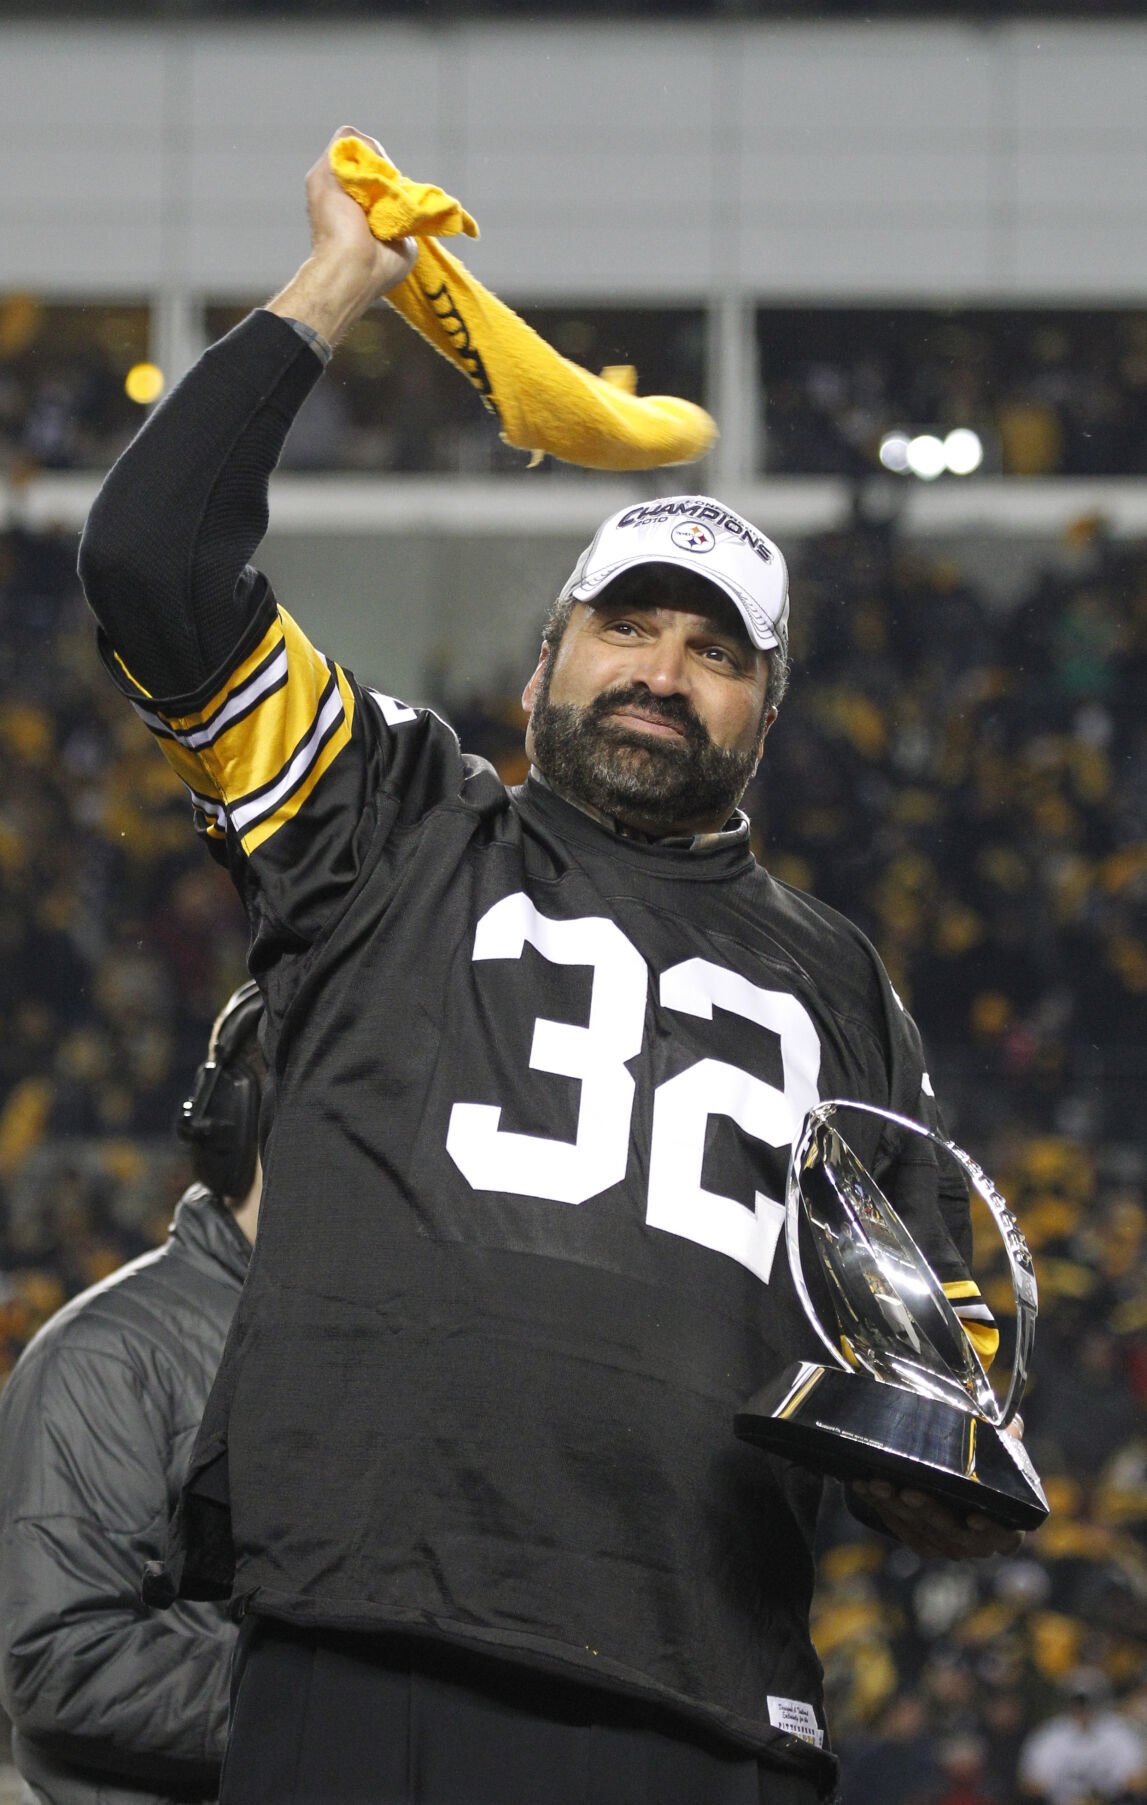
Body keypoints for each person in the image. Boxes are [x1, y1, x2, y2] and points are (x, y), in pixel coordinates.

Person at [77, 128, 1019, 1805]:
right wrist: (337, 283)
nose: (665, 671)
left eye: (717, 651)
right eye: (630, 625)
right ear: (544, 664)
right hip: (359, 1645)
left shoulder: (841, 982)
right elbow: (153, 560)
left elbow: (919, 1360)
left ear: (767, 715)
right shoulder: (385, 821)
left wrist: (929, 1467)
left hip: (697, 1698)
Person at [0, 983, 264, 1805]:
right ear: (240, 1132)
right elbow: (60, 1658)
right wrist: (323, 1706)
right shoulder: (104, 1357)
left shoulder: (382, 1347)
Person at [1018, 1666, 1147, 1804]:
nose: (1083, 1709)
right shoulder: (1050, 1734)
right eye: (1078, 1702)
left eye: (1088, 1702)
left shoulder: (1119, 1731)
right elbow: (1030, 1784)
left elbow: (1138, 1780)